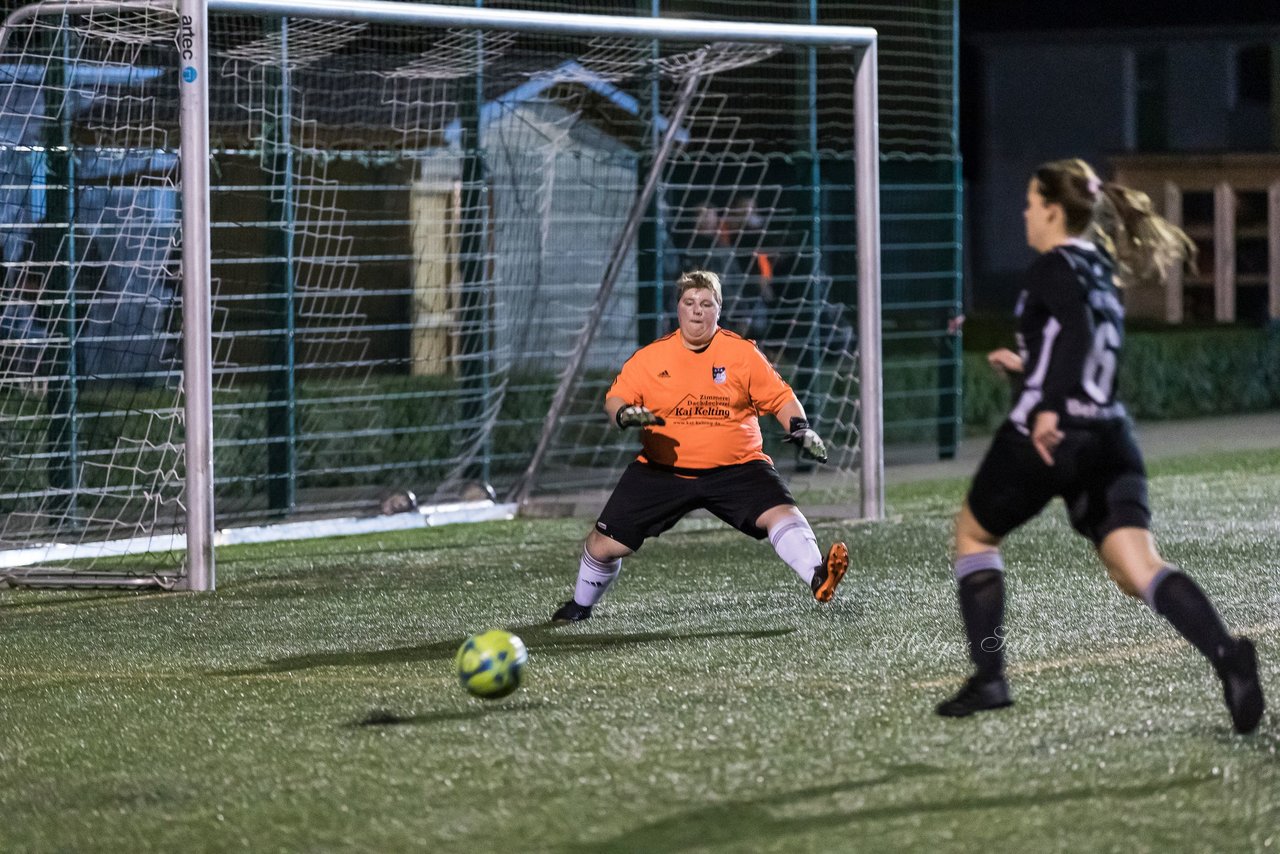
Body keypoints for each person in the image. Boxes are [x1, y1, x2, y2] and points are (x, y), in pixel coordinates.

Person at [935, 158, 1266, 734]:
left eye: (1032, 203)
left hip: (1051, 434)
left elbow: (1079, 334)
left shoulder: (1052, 265)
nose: (1024, 213)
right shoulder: (1098, 264)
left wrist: (1048, 405)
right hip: (1110, 435)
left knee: (973, 534)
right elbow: (1082, 345)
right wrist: (1031, 368)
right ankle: (1228, 655)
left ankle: (989, 676)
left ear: (1055, 211)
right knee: (1137, 567)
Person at [550, 269, 849, 623]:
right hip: (662, 471)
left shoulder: (742, 354)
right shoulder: (650, 358)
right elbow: (614, 401)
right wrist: (627, 415)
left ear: (718, 310)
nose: (697, 310)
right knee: (603, 546)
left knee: (783, 515)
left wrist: (800, 429)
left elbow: (782, 399)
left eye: (706, 303)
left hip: (738, 467)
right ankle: (580, 606)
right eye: (689, 302)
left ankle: (818, 576)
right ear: (677, 308)